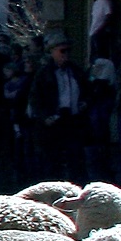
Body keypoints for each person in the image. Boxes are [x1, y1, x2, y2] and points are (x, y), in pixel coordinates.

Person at [28, 37, 86, 183]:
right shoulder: (44, 73)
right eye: (62, 51)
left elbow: (87, 91)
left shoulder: (75, 71)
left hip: (72, 119)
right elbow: (35, 98)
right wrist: (44, 117)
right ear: (52, 52)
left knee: (75, 158)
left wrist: (84, 104)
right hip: (53, 121)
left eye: (68, 51)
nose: (65, 54)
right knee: (51, 162)